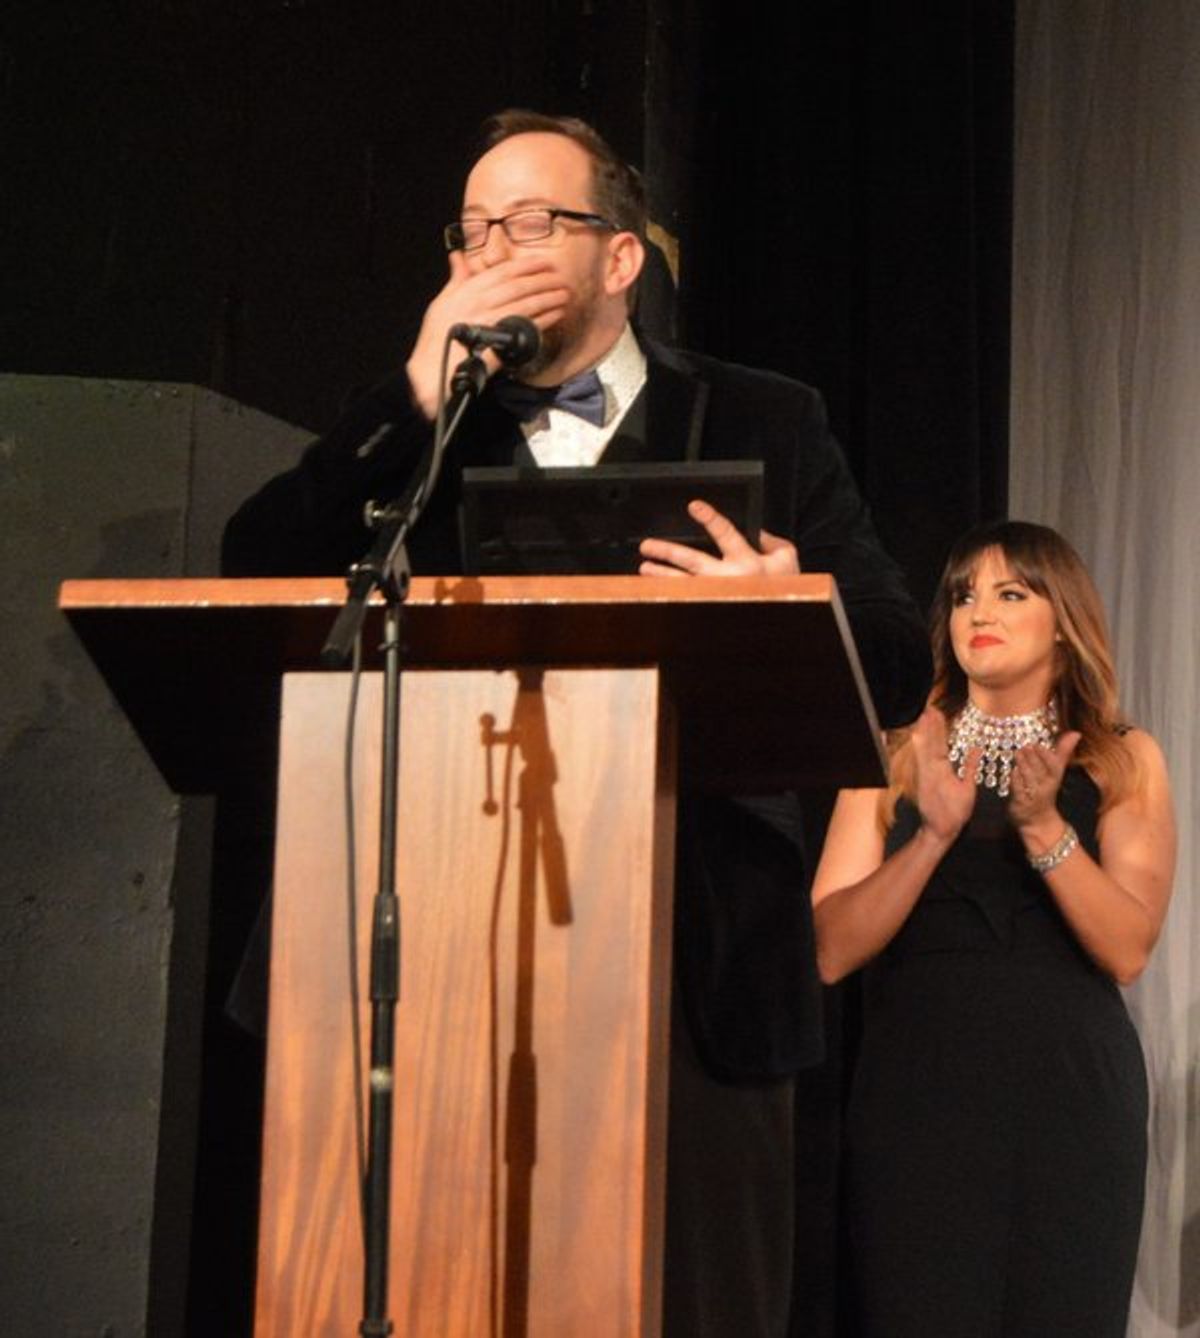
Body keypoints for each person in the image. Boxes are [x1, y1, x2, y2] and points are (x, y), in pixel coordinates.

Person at [223, 109, 932, 1336]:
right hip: (421, 942)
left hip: (694, 958)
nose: (495, 251)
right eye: (473, 231)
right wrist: (407, 391)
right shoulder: (411, 434)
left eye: (533, 222)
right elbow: (251, 573)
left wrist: (789, 601)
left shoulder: (767, 416)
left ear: (621, 258)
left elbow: (898, 656)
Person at [810, 520, 1175, 1337]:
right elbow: (830, 948)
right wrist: (934, 836)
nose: (982, 609)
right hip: (919, 1108)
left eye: (1012, 592)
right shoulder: (897, 752)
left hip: (1071, 1111)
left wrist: (1044, 827)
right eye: (966, 594)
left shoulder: (1120, 758)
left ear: (1063, 619)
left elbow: (1127, 947)